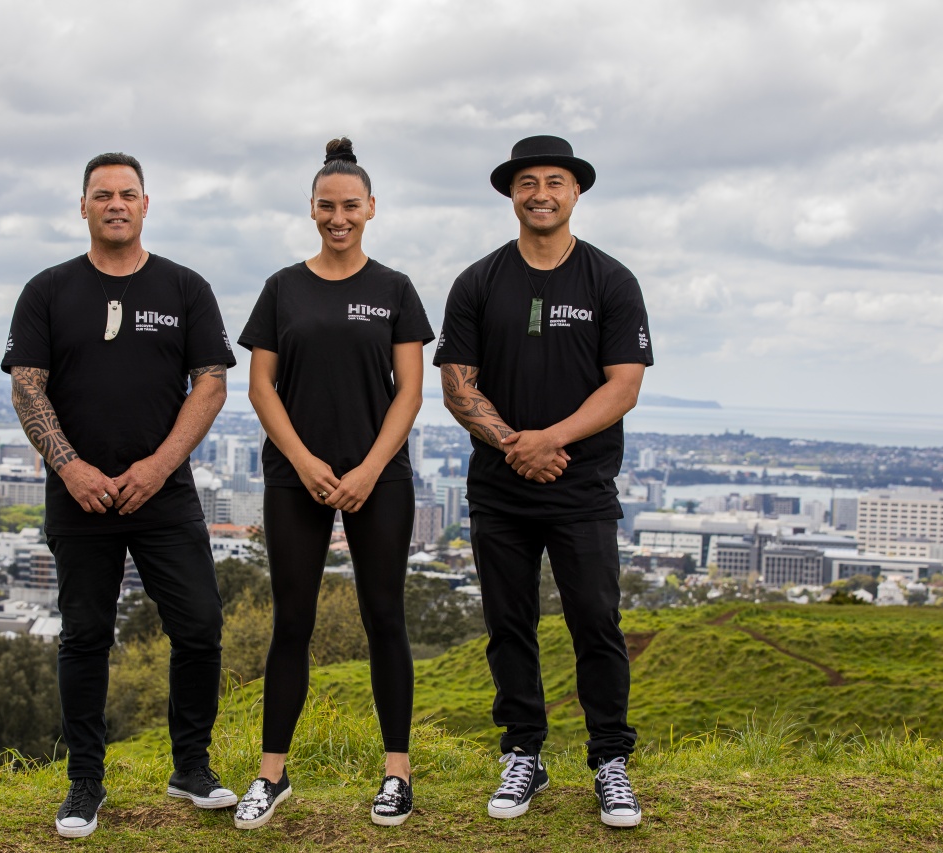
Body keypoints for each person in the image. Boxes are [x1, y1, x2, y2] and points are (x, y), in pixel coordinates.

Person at [1, 152, 238, 838]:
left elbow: (212, 382)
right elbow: (27, 384)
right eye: (101, 194)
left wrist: (159, 467)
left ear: (145, 204)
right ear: (82, 206)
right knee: (84, 635)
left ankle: (191, 766)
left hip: (164, 492)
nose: (115, 203)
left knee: (199, 624)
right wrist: (71, 467)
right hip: (77, 494)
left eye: (127, 194)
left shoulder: (185, 288)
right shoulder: (47, 290)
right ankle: (85, 782)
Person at [433, 135, 653, 828]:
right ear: (511, 193)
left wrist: (550, 440)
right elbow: (455, 386)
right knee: (508, 625)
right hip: (499, 489)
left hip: (582, 483)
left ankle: (610, 760)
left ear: (575, 192)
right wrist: (514, 446)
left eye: (554, 181)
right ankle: (524, 751)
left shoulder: (611, 281)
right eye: (528, 182)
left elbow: (624, 387)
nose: (541, 193)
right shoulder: (476, 282)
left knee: (596, 621)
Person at [232, 137, 433, 829]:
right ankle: (270, 774)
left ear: (372, 208)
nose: (338, 216)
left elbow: (409, 392)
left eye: (350, 205)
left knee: (385, 618)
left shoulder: (396, 290)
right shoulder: (282, 288)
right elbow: (261, 387)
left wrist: (370, 468)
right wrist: (309, 462)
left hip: (380, 476)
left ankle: (397, 775)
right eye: (326, 205)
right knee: (293, 621)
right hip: (297, 478)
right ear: (311, 209)